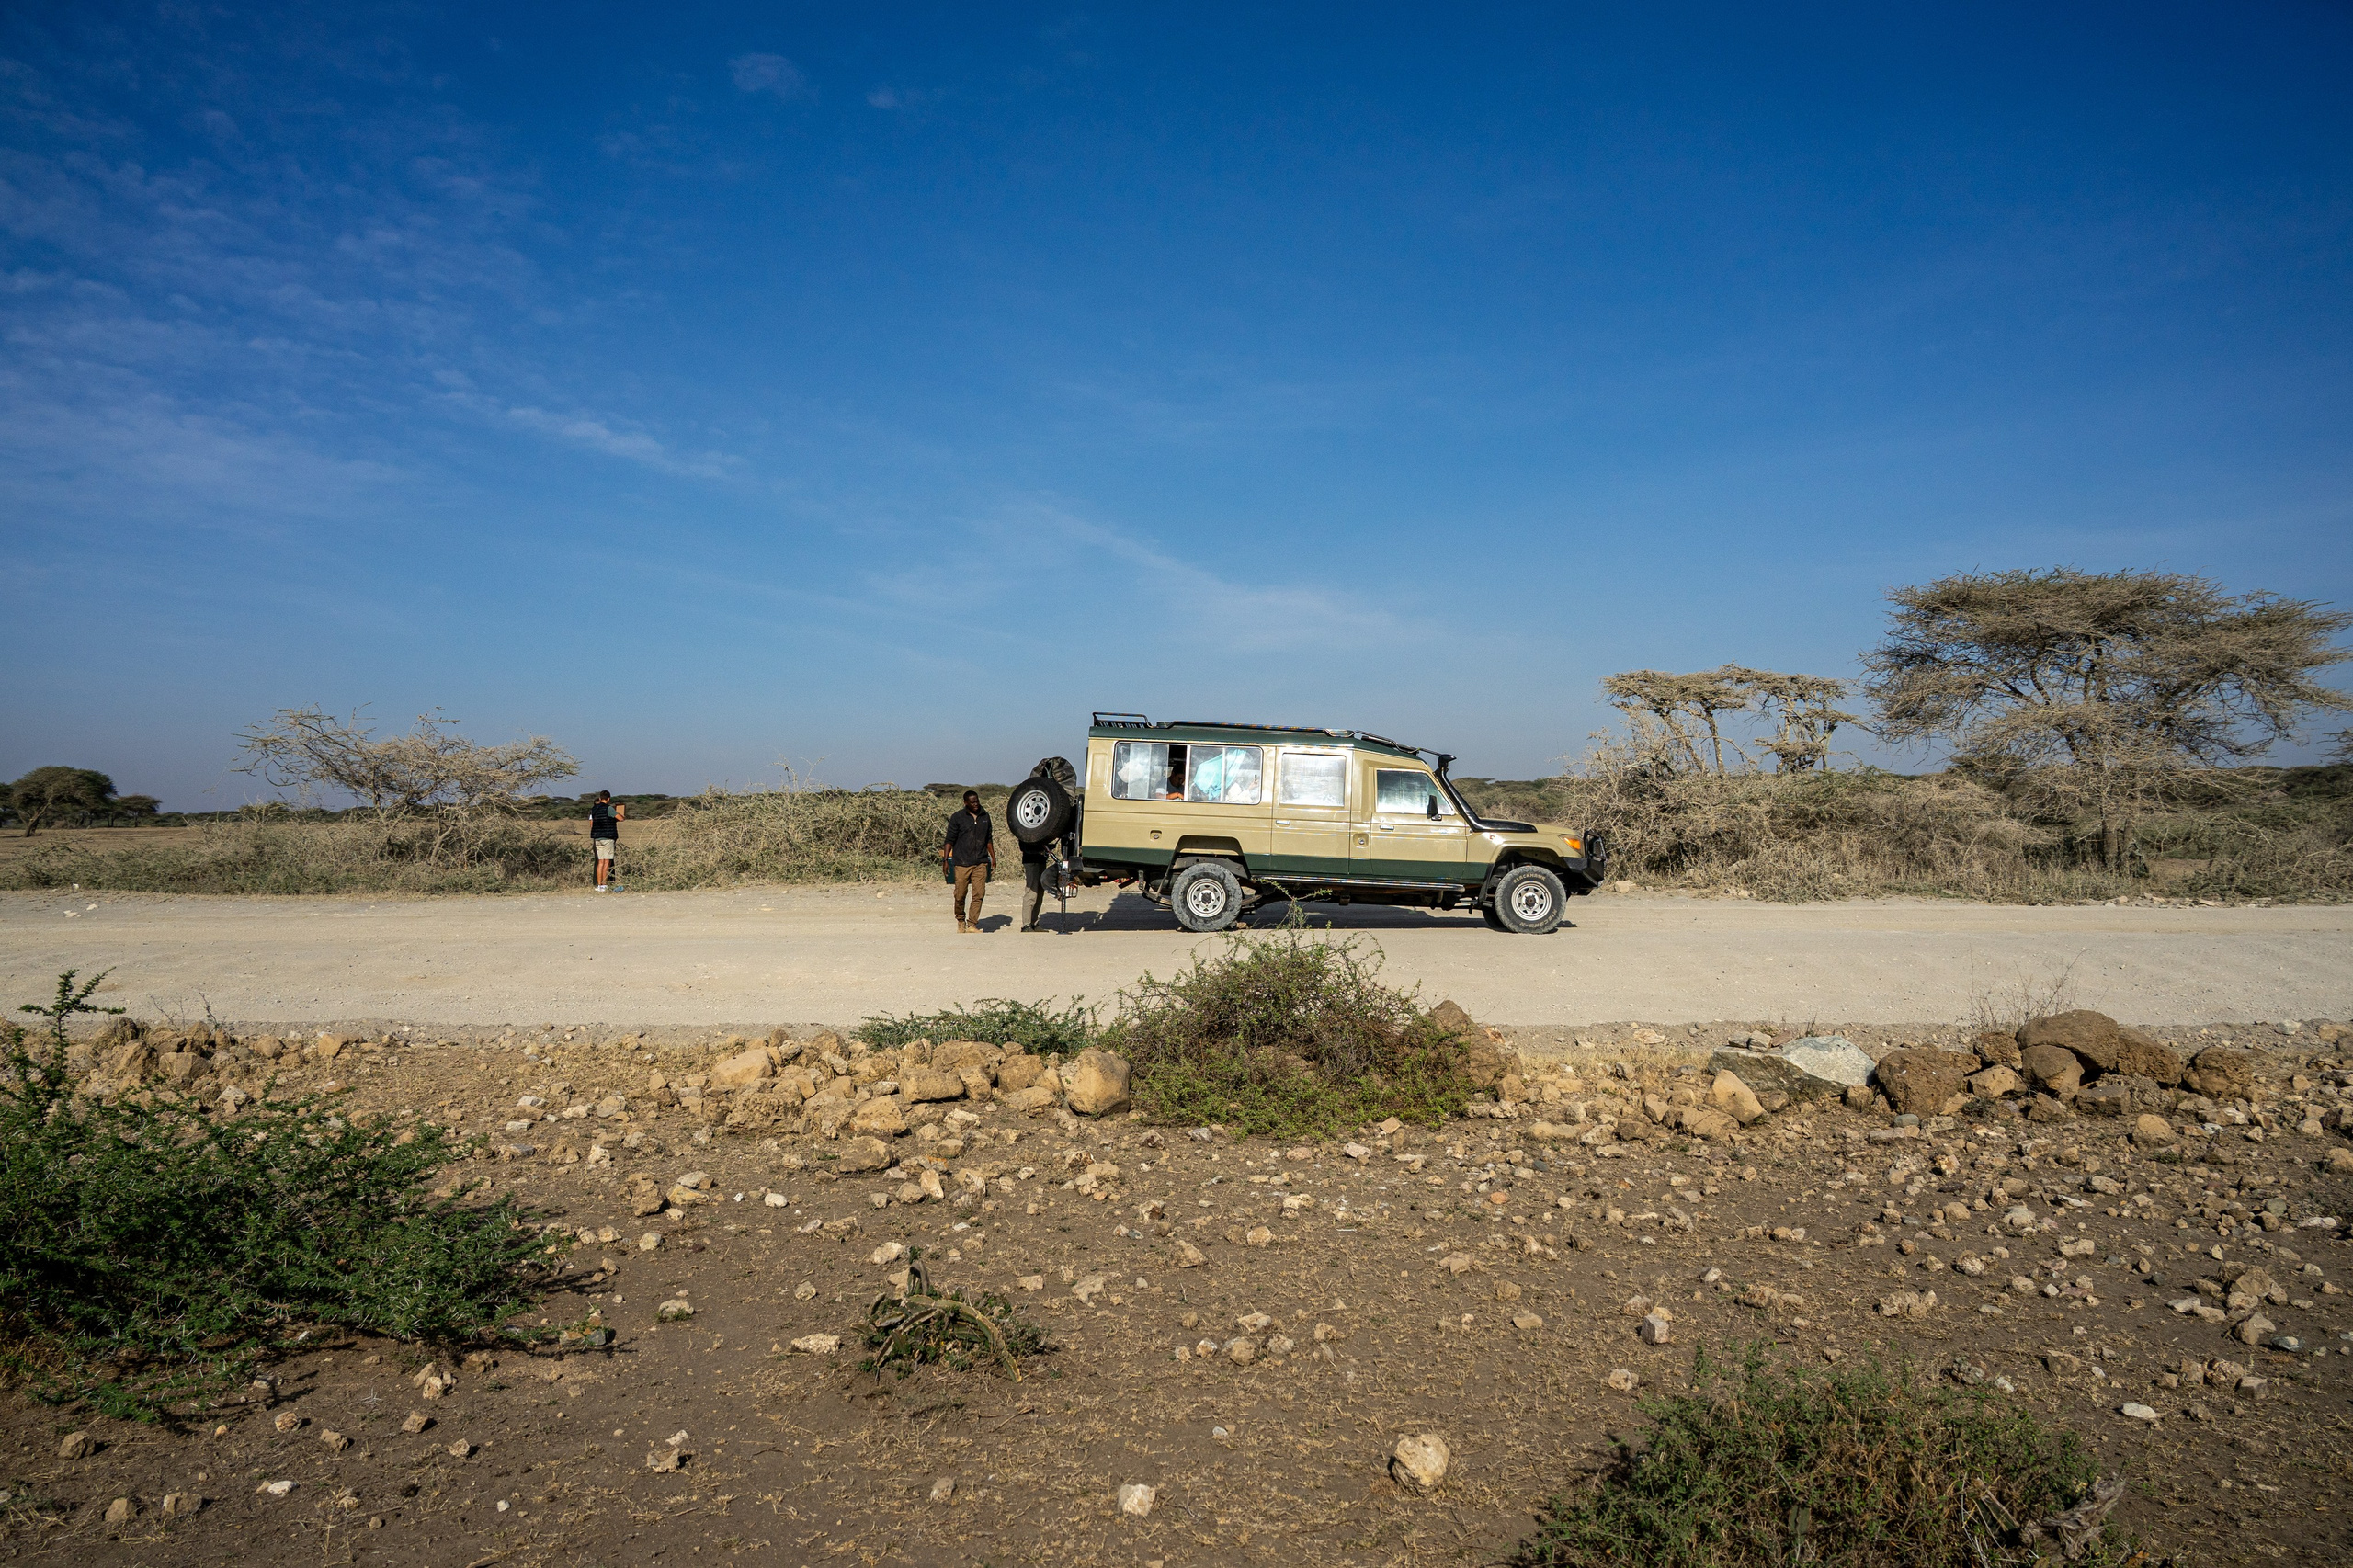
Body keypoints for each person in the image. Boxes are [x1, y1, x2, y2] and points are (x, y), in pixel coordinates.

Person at [941, 789, 995, 932]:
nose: (976, 804)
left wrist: (993, 858)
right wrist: (945, 860)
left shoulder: (985, 816)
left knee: (979, 894)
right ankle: (960, 919)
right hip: (962, 863)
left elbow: (988, 839)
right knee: (960, 895)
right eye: (973, 802)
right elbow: (949, 840)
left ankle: (972, 923)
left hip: (981, 862)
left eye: (977, 801)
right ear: (965, 803)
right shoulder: (957, 817)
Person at [589, 790, 625, 892]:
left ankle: (599, 885)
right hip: (607, 837)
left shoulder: (594, 809)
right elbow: (621, 818)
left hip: (597, 838)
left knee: (600, 862)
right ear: (608, 799)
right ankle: (604, 885)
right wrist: (620, 815)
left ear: (600, 798)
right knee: (607, 861)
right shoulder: (609, 808)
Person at [1019, 834, 1051, 932]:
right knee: (1031, 892)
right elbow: (1024, 847)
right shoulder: (1025, 831)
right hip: (1031, 860)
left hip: (1040, 860)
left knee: (1039, 893)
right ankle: (1026, 924)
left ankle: (1034, 922)